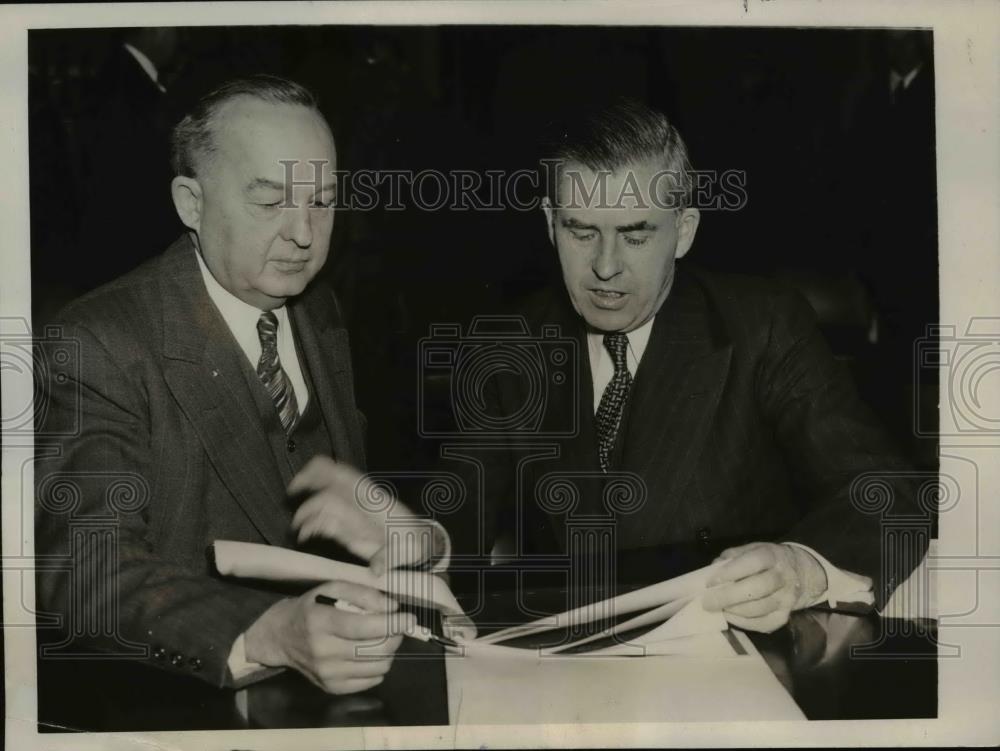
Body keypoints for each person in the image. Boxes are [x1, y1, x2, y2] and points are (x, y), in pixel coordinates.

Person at [288, 99, 927, 634]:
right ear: (549, 224)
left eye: (636, 234)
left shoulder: (761, 326)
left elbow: (886, 492)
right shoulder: (510, 344)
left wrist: (802, 567)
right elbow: (466, 509)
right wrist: (420, 539)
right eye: (581, 229)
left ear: (685, 229)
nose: (604, 266)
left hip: (737, 662)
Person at [34, 75, 442, 694]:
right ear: (190, 203)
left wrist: (412, 546)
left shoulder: (319, 312)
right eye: (270, 201)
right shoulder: (99, 342)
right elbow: (84, 570)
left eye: (323, 200)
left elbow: (333, 534)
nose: (304, 234)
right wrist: (268, 632)